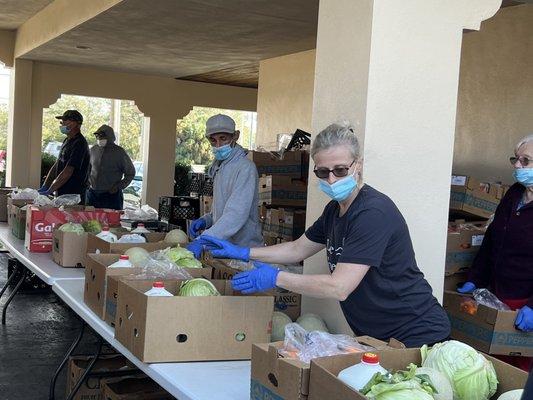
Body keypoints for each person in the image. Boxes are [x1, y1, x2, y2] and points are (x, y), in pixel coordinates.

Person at [196, 123, 451, 347]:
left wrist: (277, 277)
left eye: (340, 170)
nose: (331, 179)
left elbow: (339, 287)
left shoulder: (373, 212)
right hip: (378, 334)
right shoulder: (335, 210)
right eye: (322, 172)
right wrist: (243, 252)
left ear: (358, 166)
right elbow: (298, 249)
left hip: (417, 331)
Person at [457, 134, 533, 370]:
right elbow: (491, 241)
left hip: (525, 306)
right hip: (498, 297)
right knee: (494, 369)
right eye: (516, 159)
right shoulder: (514, 194)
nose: (517, 165)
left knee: (521, 374)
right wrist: (474, 279)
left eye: (526, 160)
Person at [186, 114, 263, 258]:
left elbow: (236, 213)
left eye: (223, 138)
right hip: (223, 247)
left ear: (235, 136)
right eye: (213, 140)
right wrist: (207, 219)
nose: (218, 145)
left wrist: (204, 240)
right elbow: (223, 207)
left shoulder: (245, 168)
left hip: (243, 249)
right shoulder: (220, 166)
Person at [39, 110, 90, 201]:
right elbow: (57, 164)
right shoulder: (67, 140)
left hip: (74, 196)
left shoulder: (79, 143)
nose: (61, 124)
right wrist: (46, 186)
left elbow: (68, 170)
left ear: (74, 123)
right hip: (62, 193)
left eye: (64, 121)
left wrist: (50, 190)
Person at [86, 124, 135, 210]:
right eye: (97, 136)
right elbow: (87, 168)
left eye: (102, 136)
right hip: (92, 194)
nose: (99, 139)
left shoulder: (119, 152)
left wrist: (118, 186)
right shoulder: (93, 150)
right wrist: (87, 181)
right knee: (91, 220)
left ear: (110, 136)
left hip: (111, 195)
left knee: (111, 221)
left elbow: (130, 173)